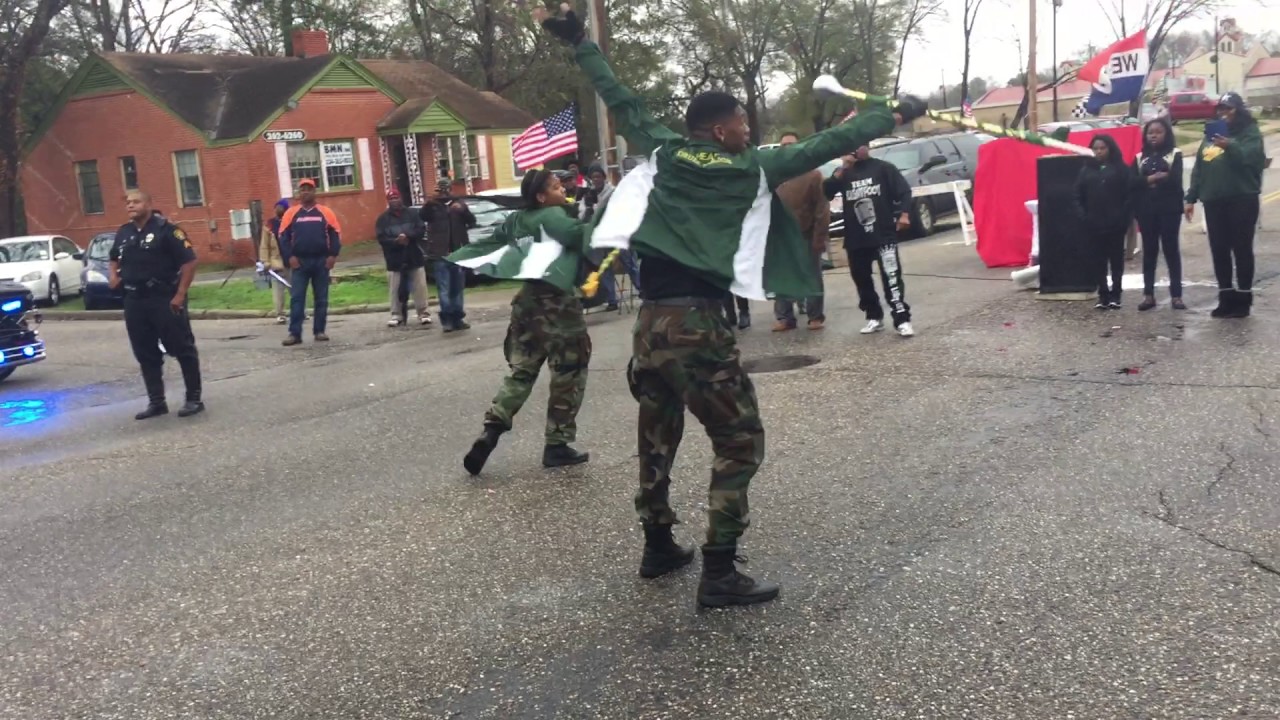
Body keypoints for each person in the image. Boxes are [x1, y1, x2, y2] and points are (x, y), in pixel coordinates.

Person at [537, 4, 925, 607]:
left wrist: (580, 42)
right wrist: (890, 113)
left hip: (650, 325)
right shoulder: (751, 167)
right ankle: (719, 570)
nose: (749, 128)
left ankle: (658, 545)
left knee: (657, 434)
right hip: (697, 323)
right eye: (742, 121)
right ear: (721, 130)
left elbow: (621, 98)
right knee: (740, 439)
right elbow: (834, 140)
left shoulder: (663, 150)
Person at [457, 169, 593, 473]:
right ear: (542, 197)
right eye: (557, 188)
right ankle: (557, 443)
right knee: (568, 372)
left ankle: (491, 429)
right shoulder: (552, 215)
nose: (563, 191)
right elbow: (583, 236)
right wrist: (593, 215)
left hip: (527, 303)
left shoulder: (518, 220)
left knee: (522, 371)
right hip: (557, 303)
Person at [108, 190, 204, 418]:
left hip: (164, 298)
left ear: (149, 204)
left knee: (182, 347)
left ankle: (193, 398)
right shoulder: (124, 233)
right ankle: (157, 401)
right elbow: (113, 258)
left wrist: (180, 294)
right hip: (134, 300)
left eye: (136, 202)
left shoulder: (167, 230)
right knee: (145, 352)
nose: (131, 205)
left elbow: (190, 262)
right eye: (128, 202)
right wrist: (113, 275)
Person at [1185, 92, 1266, 318]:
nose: (1224, 113)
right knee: (1219, 250)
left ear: (1239, 110)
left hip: (1242, 199)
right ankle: (1225, 297)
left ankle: (1243, 299)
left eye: (1229, 108)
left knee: (1241, 249)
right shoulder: (1211, 135)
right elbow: (1200, 168)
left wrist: (1229, 145)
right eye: (1221, 109)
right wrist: (1191, 197)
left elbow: (1253, 159)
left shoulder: (1250, 133)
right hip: (1214, 201)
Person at [824, 147, 916, 336]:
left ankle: (902, 319)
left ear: (868, 147)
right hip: (856, 238)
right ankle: (873, 316)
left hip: (883, 235)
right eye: (852, 147)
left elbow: (904, 192)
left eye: (859, 146)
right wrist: (843, 168)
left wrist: (904, 214)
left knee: (891, 278)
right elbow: (827, 192)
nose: (856, 150)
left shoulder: (884, 168)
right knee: (862, 280)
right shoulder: (844, 173)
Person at [773, 131, 831, 332]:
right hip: (781, 238)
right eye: (783, 145)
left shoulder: (813, 175)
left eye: (790, 144)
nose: (786, 148)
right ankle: (784, 318)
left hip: (806, 235)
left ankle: (815, 317)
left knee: (812, 276)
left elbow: (822, 209)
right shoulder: (774, 175)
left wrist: (819, 238)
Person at [1073, 134, 1133, 310]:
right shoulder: (1086, 171)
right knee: (1098, 261)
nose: (1099, 152)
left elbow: (1129, 196)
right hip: (1094, 224)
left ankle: (1116, 294)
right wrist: (1084, 216)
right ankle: (1103, 294)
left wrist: (1123, 217)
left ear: (1110, 148)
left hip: (1116, 224)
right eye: (1096, 149)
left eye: (1102, 148)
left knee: (1116, 260)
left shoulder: (1121, 169)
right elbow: (1077, 196)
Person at [279, 178, 341, 345]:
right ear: (299, 193)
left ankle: (319, 331)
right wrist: (290, 257)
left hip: (321, 261)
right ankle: (295, 333)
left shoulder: (325, 212)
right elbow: (283, 238)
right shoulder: (291, 213)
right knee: (297, 298)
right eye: (302, 189)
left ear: (314, 192)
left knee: (321, 298)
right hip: (299, 262)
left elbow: (335, 234)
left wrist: (332, 256)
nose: (305, 192)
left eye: (309, 189)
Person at [1132, 118, 1186, 311]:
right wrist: (1152, 179)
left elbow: (1175, 181)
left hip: (1169, 210)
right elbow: (1134, 184)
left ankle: (1177, 296)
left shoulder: (1175, 154)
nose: (1153, 135)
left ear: (1166, 134)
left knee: (1171, 251)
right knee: (1150, 252)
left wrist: (1149, 181)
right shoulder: (1140, 158)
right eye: (1150, 132)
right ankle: (1148, 295)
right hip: (1147, 211)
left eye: (1158, 131)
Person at [421, 178, 476, 332]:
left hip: (458, 253)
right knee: (444, 289)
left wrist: (463, 210)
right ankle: (447, 320)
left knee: (457, 289)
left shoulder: (458, 205)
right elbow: (422, 216)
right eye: (441, 190)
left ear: (451, 189)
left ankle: (458, 318)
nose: (444, 193)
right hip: (441, 254)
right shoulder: (433, 207)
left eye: (446, 189)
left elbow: (472, 222)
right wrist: (429, 202)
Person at [376, 189, 432, 327]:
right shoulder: (383, 219)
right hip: (394, 258)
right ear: (388, 201)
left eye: (396, 197)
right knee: (395, 288)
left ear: (401, 198)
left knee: (419, 286)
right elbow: (381, 237)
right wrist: (396, 241)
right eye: (391, 198)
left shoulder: (413, 214)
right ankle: (397, 315)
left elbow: (420, 229)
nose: (394, 200)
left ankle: (423, 313)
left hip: (413, 254)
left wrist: (408, 236)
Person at [258, 198, 291, 323]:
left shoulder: (291, 222)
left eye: (280, 207)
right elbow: (264, 245)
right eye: (276, 206)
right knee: (278, 291)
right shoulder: (269, 225)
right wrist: (265, 261)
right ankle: (280, 314)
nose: (277, 209)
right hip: (276, 262)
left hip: (291, 261)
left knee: (296, 289)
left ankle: (300, 311)